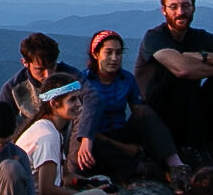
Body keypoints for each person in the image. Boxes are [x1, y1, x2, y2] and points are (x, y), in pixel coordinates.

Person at [134, 0, 213, 170]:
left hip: (190, 110)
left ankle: (204, 143)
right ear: (163, 10)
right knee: (183, 78)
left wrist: (202, 56)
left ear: (193, 8)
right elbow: (182, 69)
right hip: (156, 113)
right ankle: (189, 149)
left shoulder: (199, 37)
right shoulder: (155, 37)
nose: (180, 11)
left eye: (185, 6)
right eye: (173, 7)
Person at [14, 79, 128, 195]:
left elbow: (65, 177)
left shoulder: (48, 128)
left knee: (100, 182)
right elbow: (46, 191)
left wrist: (87, 184)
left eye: (79, 98)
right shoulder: (47, 136)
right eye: (72, 99)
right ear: (54, 104)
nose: (79, 104)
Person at [72, 29, 178, 183]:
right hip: (95, 137)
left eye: (118, 53)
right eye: (108, 53)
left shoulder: (126, 79)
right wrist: (124, 148)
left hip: (120, 131)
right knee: (96, 147)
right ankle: (140, 168)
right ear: (96, 54)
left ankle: (175, 165)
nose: (114, 58)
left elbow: (139, 111)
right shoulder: (84, 82)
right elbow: (84, 127)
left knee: (146, 113)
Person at [0, 32, 81, 128]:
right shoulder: (12, 89)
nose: (48, 75)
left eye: (51, 67)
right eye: (40, 69)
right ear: (25, 62)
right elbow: (2, 123)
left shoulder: (72, 76)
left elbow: (91, 100)